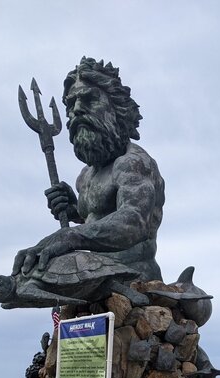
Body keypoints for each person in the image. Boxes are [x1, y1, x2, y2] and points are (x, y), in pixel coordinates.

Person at [12, 57, 165, 284]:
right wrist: (73, 210)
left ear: (117, 108)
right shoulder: (86, 176)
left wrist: (71, 235)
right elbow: (96, 219)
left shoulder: (134, 162)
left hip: (136, 284)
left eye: (89, 99)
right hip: (95, 279)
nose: (77, 110)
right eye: (71, 104)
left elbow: (134, 221)